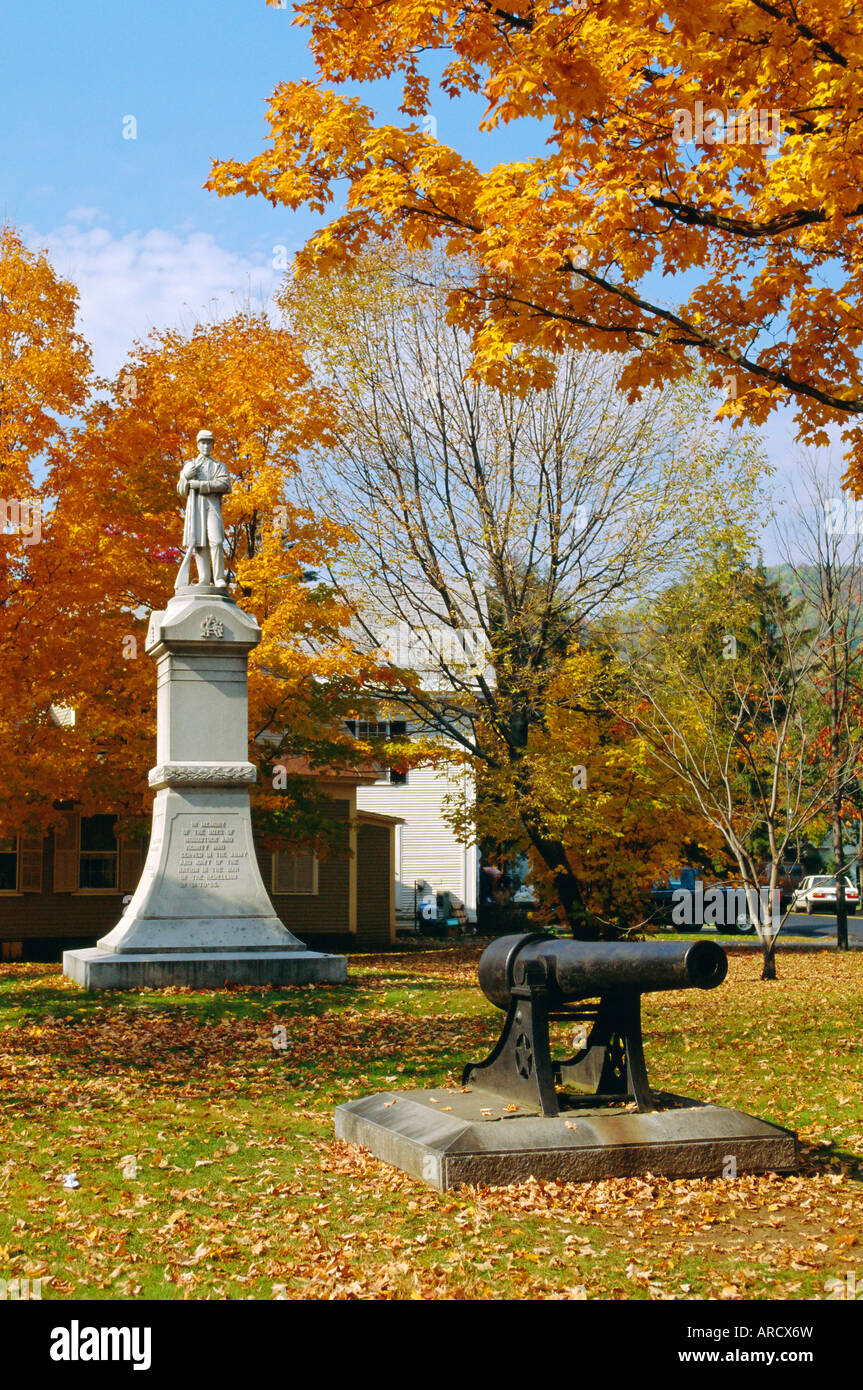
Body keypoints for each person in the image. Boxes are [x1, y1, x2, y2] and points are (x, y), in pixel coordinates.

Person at [176, 429, 231, 589]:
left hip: (212, 506)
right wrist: (185, 477)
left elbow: (225, 485)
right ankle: (204, 578)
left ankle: (219, 577)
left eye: (208, 442)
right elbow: (181, 489)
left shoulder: (219, 466)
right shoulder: (190, 466)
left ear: (212, 445)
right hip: (196, 507)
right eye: (203, 442)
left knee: (217, 541)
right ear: (198, 445)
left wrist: (201, 485)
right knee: (199, 543)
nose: (206, 445)